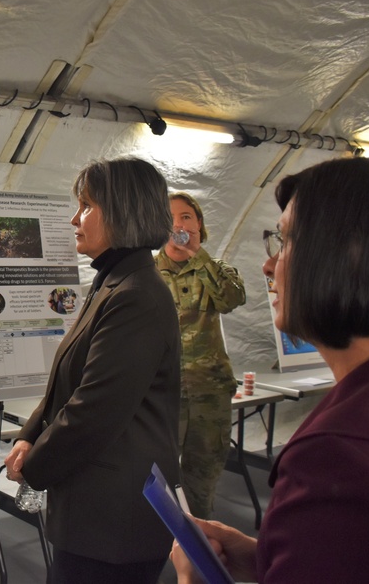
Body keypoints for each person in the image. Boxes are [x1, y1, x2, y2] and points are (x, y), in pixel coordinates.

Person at [171, 157, 369, 583]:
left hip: (209, 386)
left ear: (347, 256)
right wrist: (263, 557)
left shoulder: (337, 456)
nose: (269, 266)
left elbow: (231, 296)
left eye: (285, 242)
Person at [4, 157, 181, 584]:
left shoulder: (136, 294)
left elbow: (94, 409)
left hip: (115, 520)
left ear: (122, 211)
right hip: (100, 508)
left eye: (86, 206)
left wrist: (35, 465)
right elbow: (68, 381)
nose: (73, 218)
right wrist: (29, 436)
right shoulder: (112, 283)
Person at [155, 192, 246, 518]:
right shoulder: (147, 273)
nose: (179, 224)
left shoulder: (216, 269)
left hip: (209, 392)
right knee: (156, 474)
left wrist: (197, 255)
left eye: (187, 217)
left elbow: (230, 300)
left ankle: (200, 540)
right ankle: (157, 545)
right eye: (171, 218)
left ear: (199, 224)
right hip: (163, 394)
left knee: (204, 472)